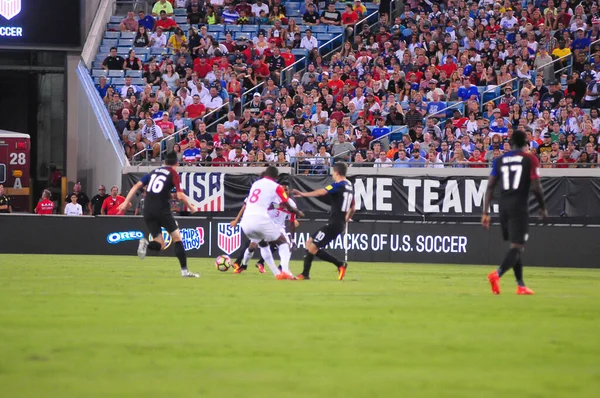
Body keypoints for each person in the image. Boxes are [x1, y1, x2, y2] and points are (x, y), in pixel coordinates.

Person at [482, 130, 547, 295]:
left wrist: (485, 212)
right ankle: (496, 274)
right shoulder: (530, 159)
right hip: (519, 207)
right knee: (518, 247)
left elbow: (490, 187)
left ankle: (521, 285)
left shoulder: (499, 160)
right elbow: (537, 187)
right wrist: (542, 207)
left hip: (502, 207)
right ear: (525, 144)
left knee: (515, 246)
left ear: (510, 144)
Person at [118, 151, 199, 278]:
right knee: (177, 238)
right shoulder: (173, 173)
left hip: (147, 210)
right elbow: (180, 195)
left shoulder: (154, 172)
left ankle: (146, 244)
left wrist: (126, 202)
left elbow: (136, 186)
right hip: (162, 210)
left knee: (160, 244)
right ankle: (184, 271)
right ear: (176, 164)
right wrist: (191, 207)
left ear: (164, 163)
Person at [235, 166, 303, 279]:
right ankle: (285, 271)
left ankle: (277, 273)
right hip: (261, 220)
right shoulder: (276, 187)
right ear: (276, 177)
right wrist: (298, 212)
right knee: (284, 244)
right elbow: (285, 203)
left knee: (263, 245)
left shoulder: (256, 184)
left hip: (246, 221)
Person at [292, 162, 355, 280]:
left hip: (335, 223)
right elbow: (353, 208)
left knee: (313, 248)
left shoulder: (339, 185)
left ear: (336, 172)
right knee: (309, 242)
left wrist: (304, 194)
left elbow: (323, 191)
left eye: (333, 173)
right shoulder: (349, 185)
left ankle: (339, 264)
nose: (332, 175)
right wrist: (345, 220)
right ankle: (305, 274)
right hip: (338, 223)